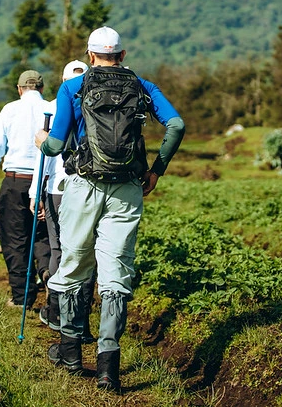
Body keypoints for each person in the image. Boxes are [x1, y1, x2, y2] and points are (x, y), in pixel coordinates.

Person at [35, 26, 185, 392]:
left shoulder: (73, 87)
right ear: (122, 55)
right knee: (116, 274)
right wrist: (156, 172)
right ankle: (108, 367)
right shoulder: (143, 87)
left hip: (84, 186)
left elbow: (56, 145)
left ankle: (70, 351)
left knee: (73, 264)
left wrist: (42, 141)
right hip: (128, 188)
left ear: (90, 56)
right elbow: (176, 125)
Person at [30, 60, 95, 341]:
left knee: (59, 250)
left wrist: (36, 194)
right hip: (92, 186)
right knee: (87, 254)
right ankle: (83, 321)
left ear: (63, 80)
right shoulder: (96, 105)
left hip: (59, 187)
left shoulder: (56, 107)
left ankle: (56, 310)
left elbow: (44, 156)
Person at [0, 70, 52, 308]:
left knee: (15, 239)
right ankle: (47, 273)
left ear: (20, 89)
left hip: (16, 180)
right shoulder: (52, 109)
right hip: (45, 180)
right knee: (44, 234)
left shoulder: (10, 109)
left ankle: (23, 297)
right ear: (41, 89)